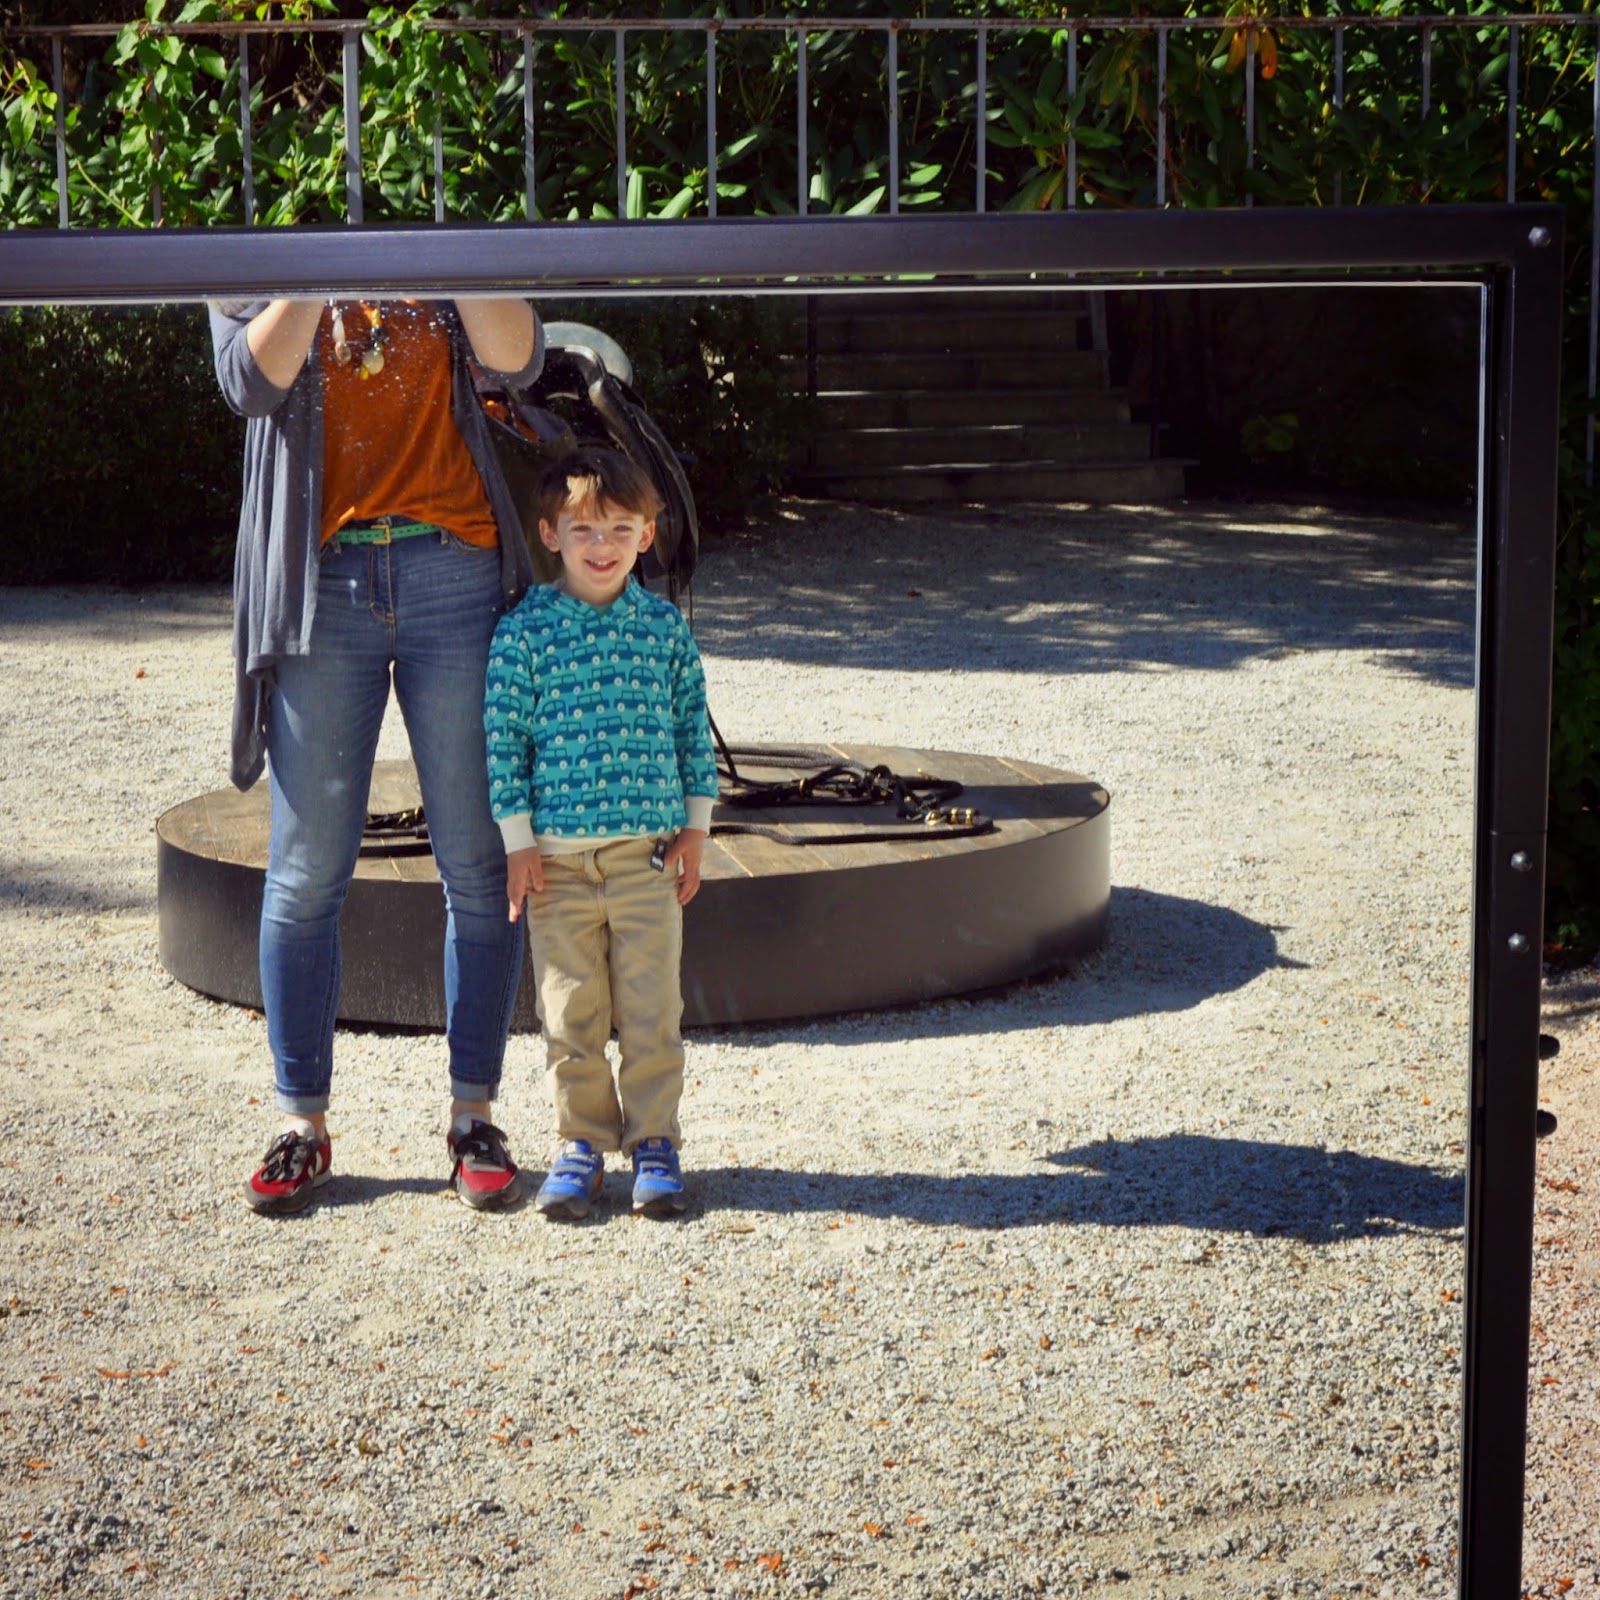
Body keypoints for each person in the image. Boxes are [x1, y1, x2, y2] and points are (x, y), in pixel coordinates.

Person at [209, 295, 544, 1216]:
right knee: (306, 869)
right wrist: (315, 260)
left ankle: (474, 1118)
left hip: (456, 564)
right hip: (320, 579)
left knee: (478, 863)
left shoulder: (439, 219)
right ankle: (301, 1124)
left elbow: (519, 360)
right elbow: (246, 381)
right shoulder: (265, 235)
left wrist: (446, 244)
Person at [483, 445, 717, 1219]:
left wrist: (696, 829)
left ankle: (654, 1142)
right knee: (569, 1015)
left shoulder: (663, 629)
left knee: (652, 1012)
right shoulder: (525, 631)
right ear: (550, 534)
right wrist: (518, 841)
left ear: (647, 534)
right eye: (583, 529)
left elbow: (690, 732)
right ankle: (580, 1142)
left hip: (646, 860)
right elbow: (505, 741)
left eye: (620, 528)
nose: (602, 545)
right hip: (556, 868)